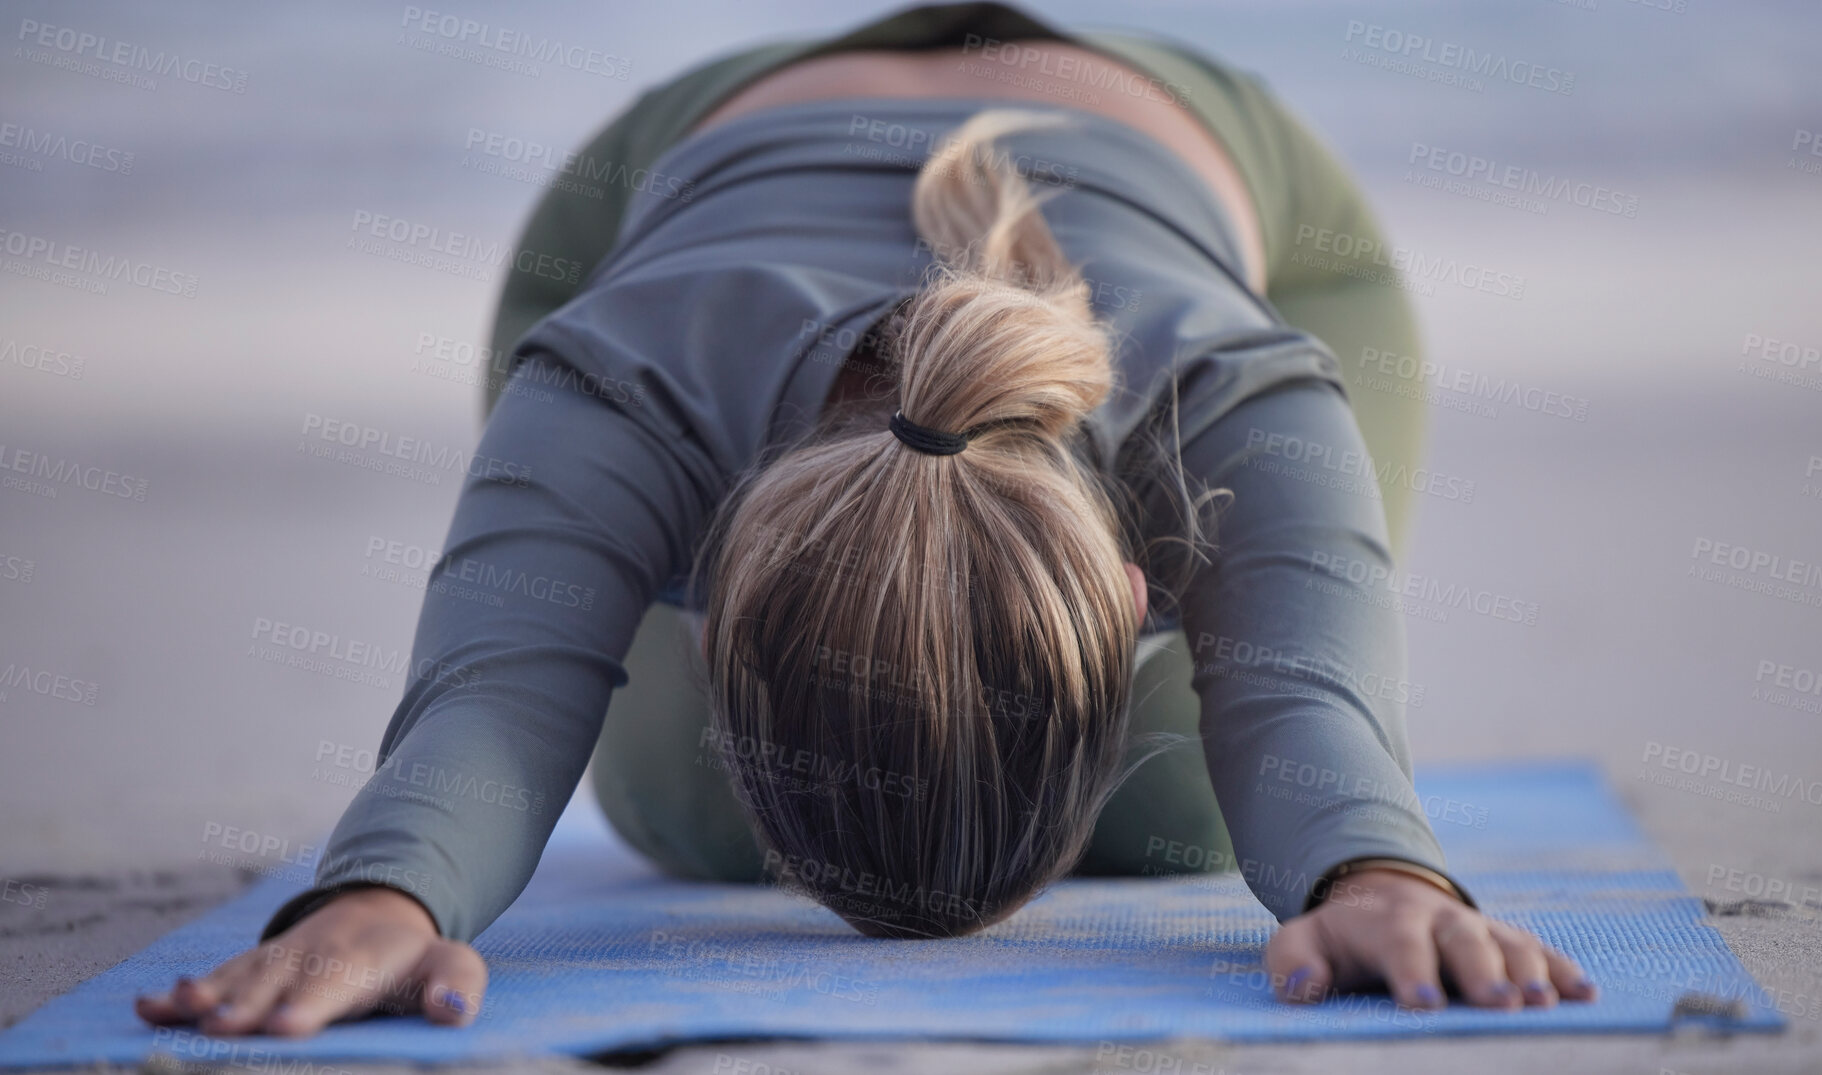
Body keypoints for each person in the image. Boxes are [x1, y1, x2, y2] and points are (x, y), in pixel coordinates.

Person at [137, 2, 1594, 1038]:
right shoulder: (615, 377)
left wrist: (1375, 868)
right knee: (712, 828)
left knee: (1206, 808)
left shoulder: (1233, 388)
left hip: (1244, 193)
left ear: (1141, 583)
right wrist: (390, 893)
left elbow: (1307, 701)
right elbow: (495, 696)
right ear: (709, 591)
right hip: (654, 191)